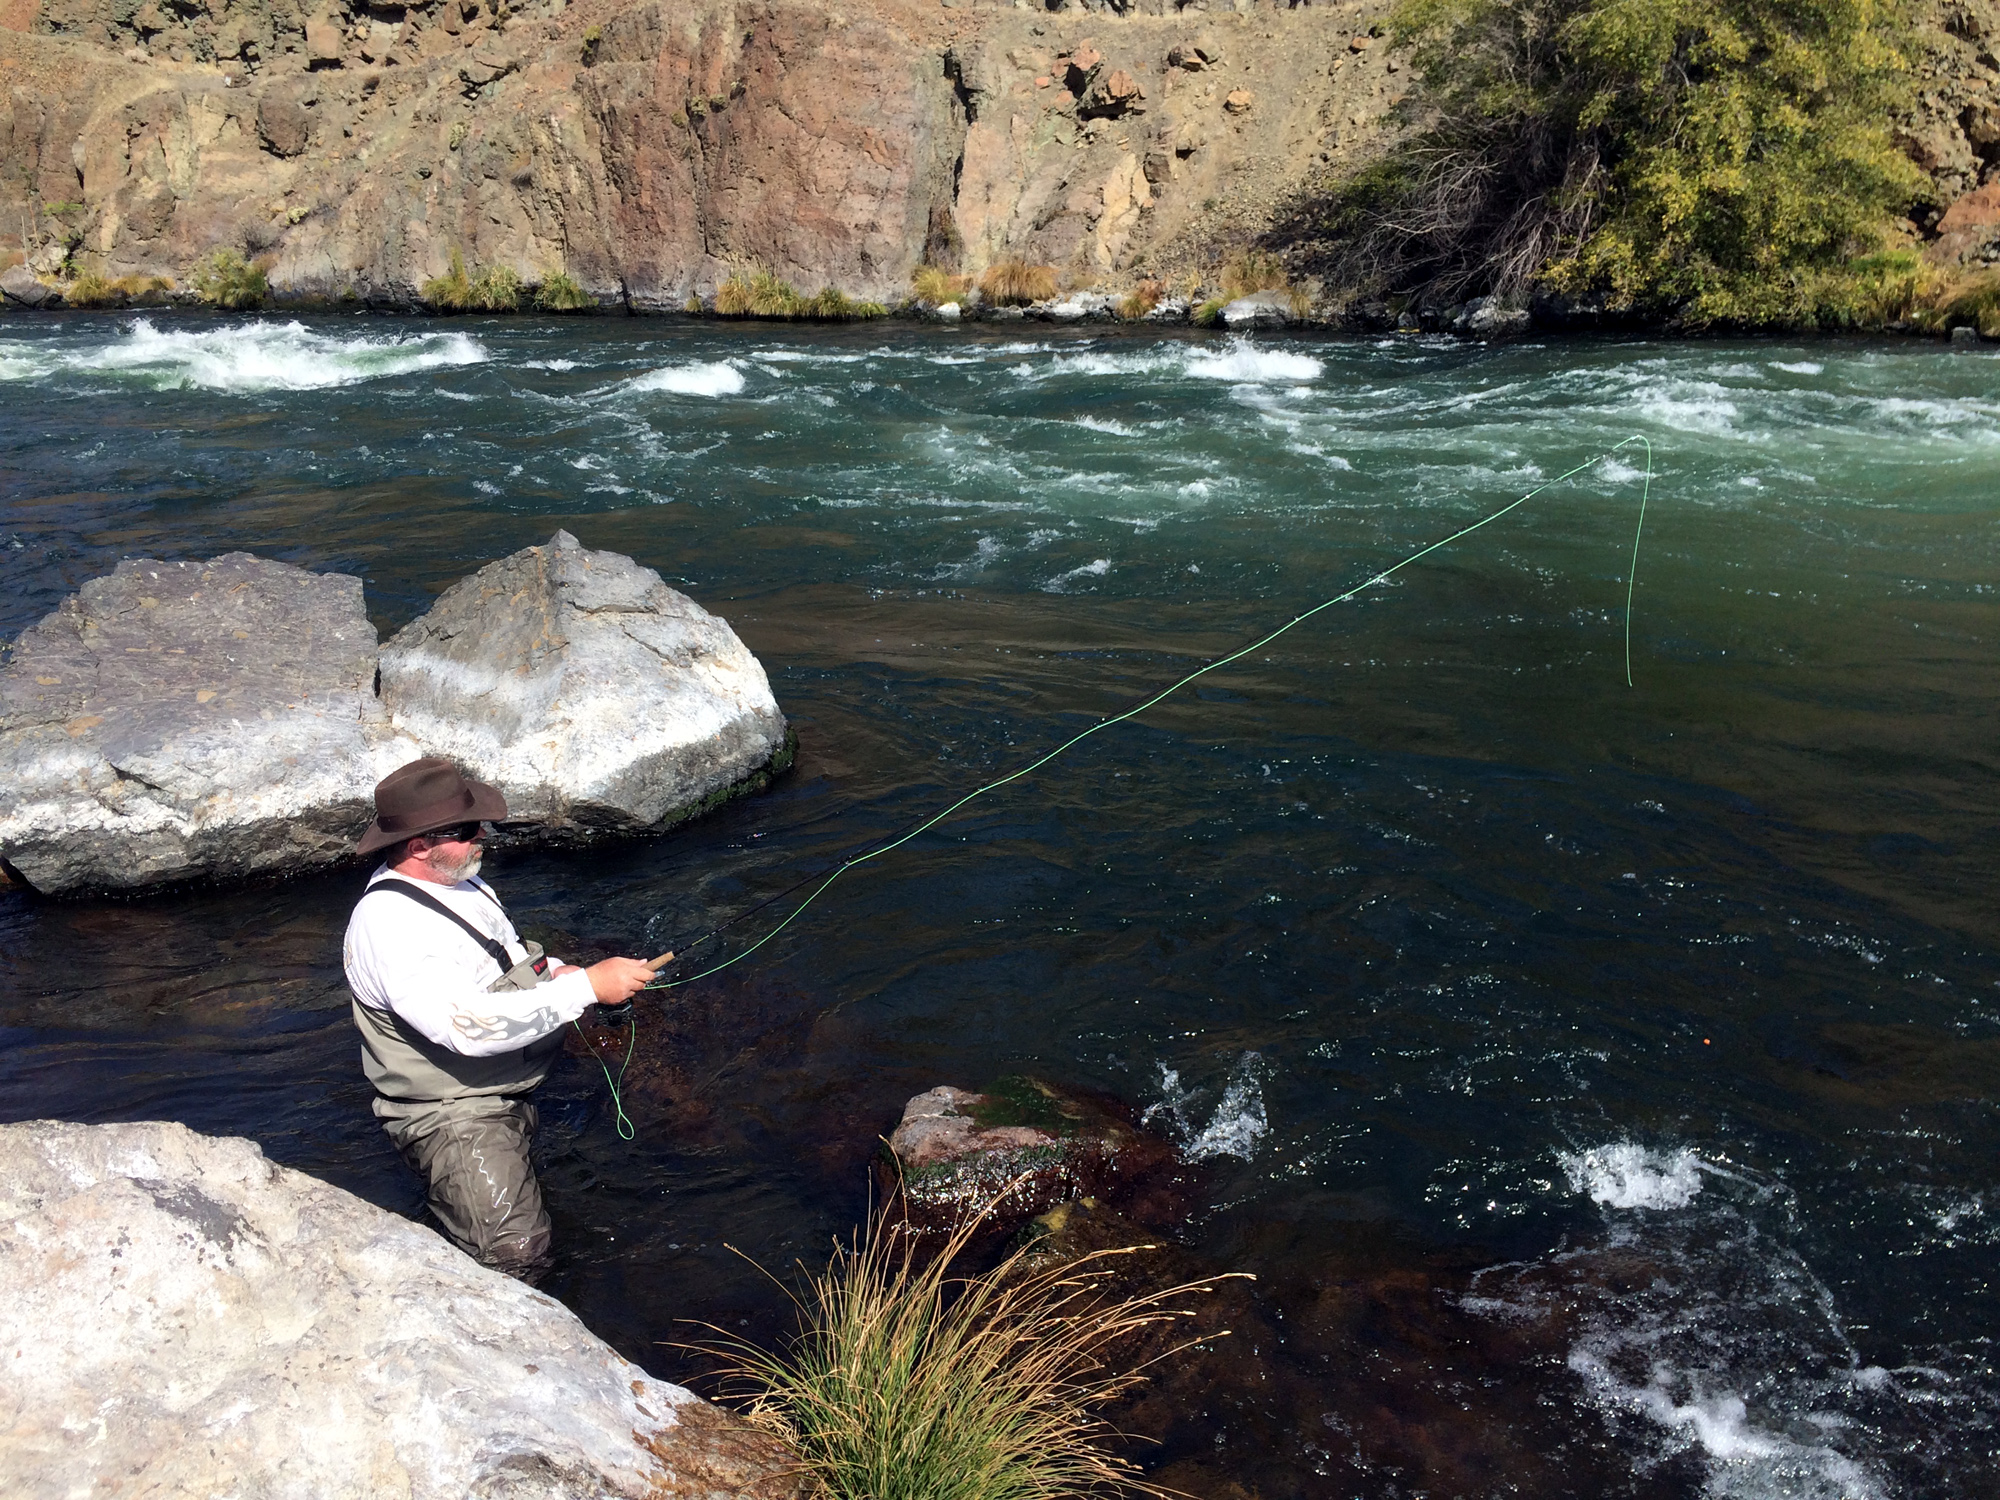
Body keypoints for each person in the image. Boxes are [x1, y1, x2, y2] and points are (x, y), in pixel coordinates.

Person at [342, 757, 658, 1279]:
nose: (484, 834)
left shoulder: (460, 881)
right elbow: (468, 1027)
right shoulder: (392, 927)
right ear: (419, 845)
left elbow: (508, 959)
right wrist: (586, 987)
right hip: (451, 1116)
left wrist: (564, 973)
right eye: (467, 830)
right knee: (516, 1254)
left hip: (500, 1091)